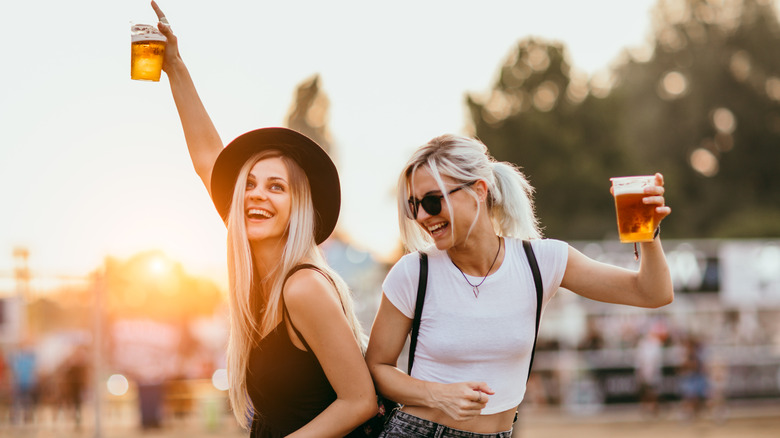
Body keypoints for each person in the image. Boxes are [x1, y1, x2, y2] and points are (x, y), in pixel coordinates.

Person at [150, 2, 377, 436]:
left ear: (299, 209)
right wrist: (175, 67)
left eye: (277, 187)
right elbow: (207, 161)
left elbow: (360, 401)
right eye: (250, 184)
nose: (256, 194)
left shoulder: (303, 286)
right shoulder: (261, 279)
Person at [365, 135, 674, 437]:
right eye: (413, 205)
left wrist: (648, 234)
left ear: (479, 190)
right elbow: (377, 368)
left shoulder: (541, 261)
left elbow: (652, 293)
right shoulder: (413, 273)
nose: (421, 216)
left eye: (432, 201)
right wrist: (437, 394)